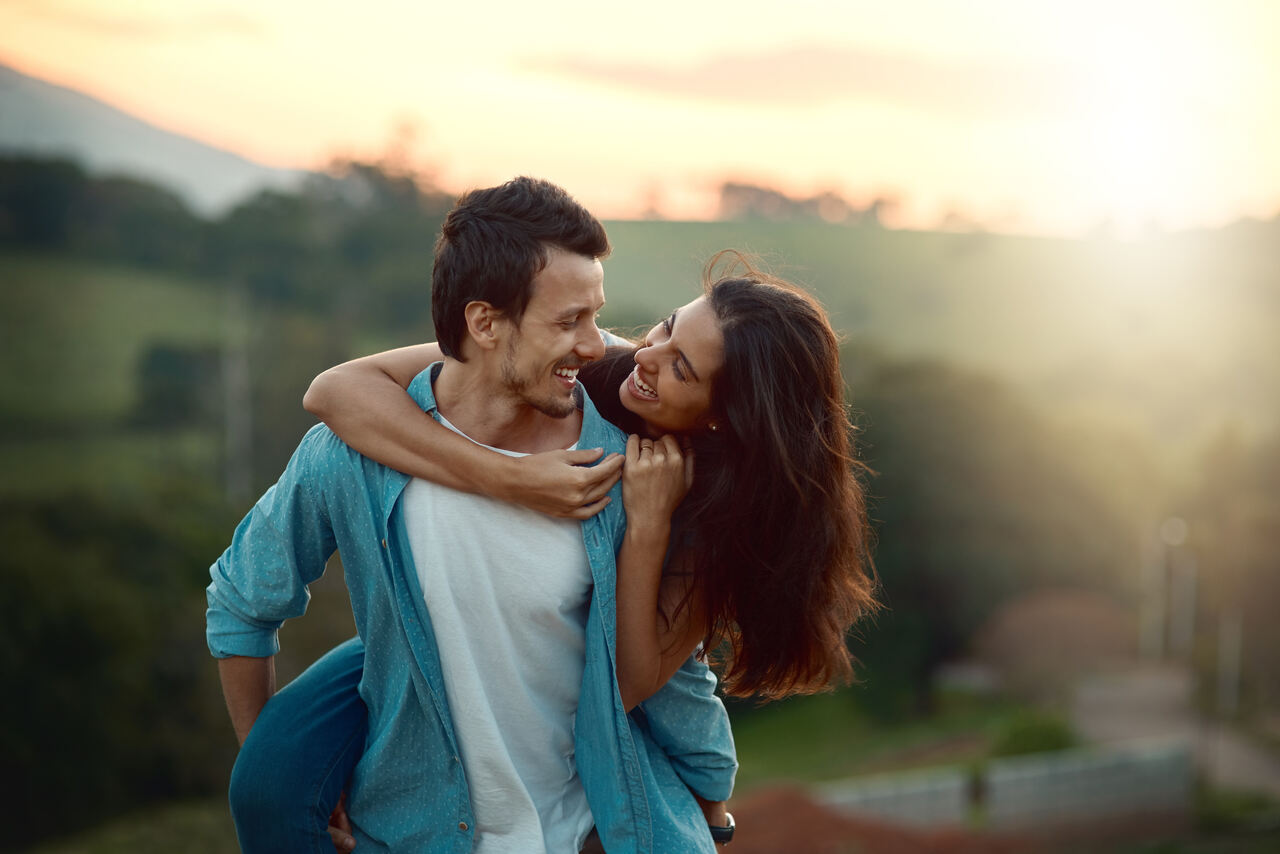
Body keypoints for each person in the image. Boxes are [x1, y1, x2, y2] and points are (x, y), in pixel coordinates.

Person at [207, 177, 738, 854]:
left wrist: (712, 800)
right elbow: (242, 604)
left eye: (595, 315)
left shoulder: (639, 463)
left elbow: (674, 669)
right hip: (417, 835)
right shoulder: (358, 455)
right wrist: (286, 777)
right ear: (485, 323)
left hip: (603, 834)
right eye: (567, 321)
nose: (599, 345)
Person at [301, 248, 881, 843]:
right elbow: (335, 391)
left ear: (725, 418)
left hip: (597, 694)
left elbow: (627, 684)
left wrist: (650, 526)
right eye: (667, 327)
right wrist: (504, 476)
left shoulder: (724, 512)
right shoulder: (589, 365)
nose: (645, 357)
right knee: (275, 773)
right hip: (481, 629)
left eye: (681, 368)